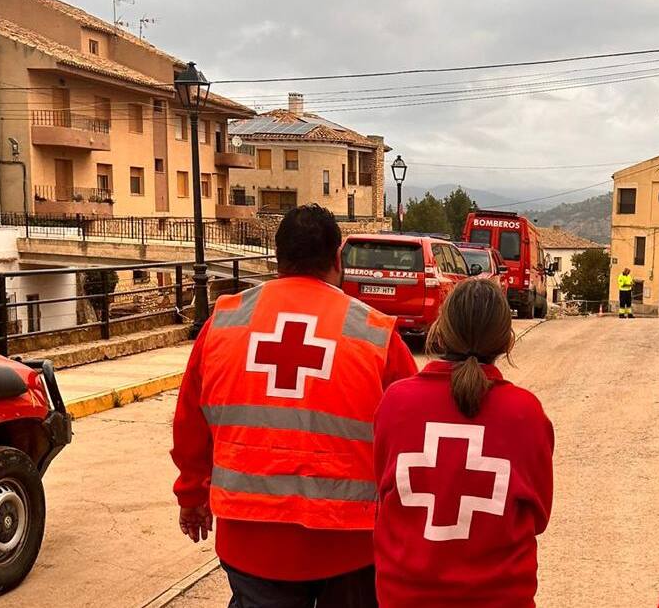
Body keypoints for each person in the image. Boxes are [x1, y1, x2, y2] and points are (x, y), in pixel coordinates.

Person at [171, 204, 417, 608]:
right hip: (350, 543)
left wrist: (192, 495)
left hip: (251, 539)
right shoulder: (375, 335)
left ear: (277, 257)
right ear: (337, 259)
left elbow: (190, 423)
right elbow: (412, 435)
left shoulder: (224, 324)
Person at [373, 277, 554, 608]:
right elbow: (538, 518)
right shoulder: (525, 413)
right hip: (500, 600)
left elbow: (384, 494)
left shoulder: (396, 402)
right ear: (506, 341)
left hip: (404, 597)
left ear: (441, 331)